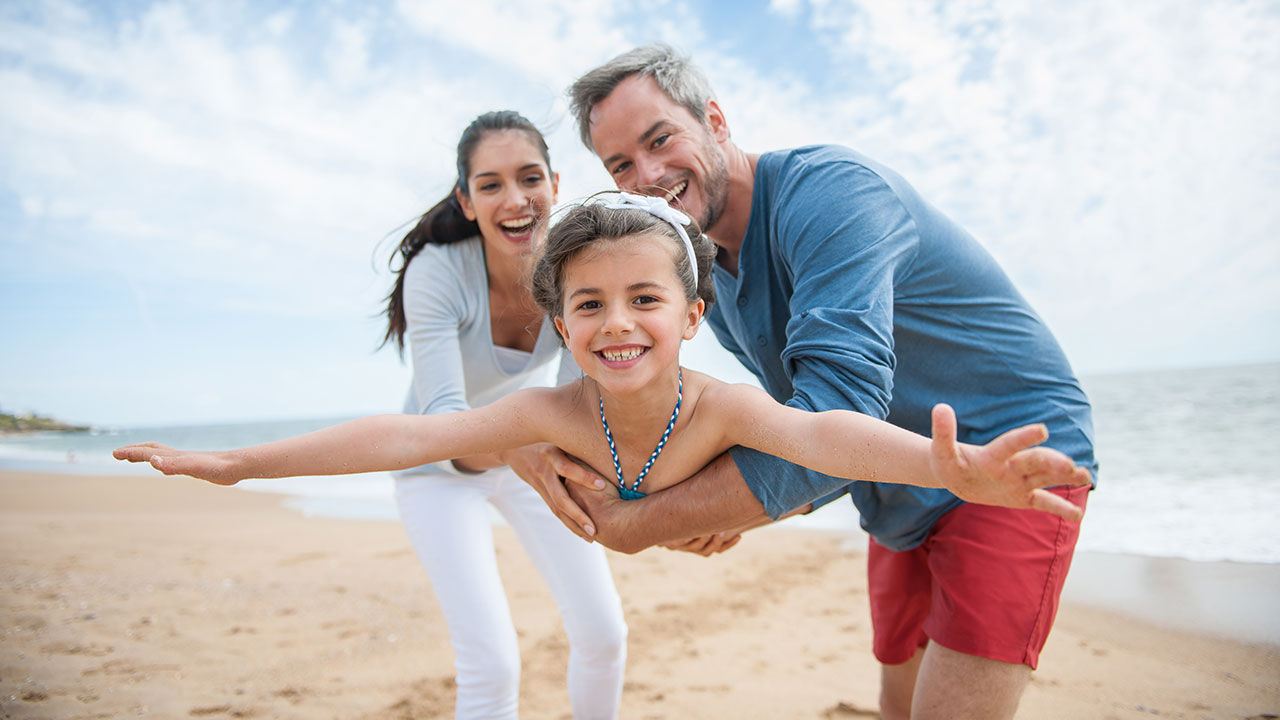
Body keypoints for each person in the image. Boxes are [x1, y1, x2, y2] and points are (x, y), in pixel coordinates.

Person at [556, 45, 1099, 720]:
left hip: (1002, 459)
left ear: (716, 120)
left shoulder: (831, 192)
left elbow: (836, 405)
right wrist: (741, 507)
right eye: (620, 166)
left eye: (660, 139)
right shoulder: (704, 274)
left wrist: (641, 522)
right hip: (894, 480)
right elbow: (801, 422)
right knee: (895, 699)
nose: (649, 174)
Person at [114, 197, 1090, 545]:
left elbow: (821, 433)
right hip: (581, 509)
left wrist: (941, 466)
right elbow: (409, 434)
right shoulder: (548, 411)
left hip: (692, 516)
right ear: (559, 321)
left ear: (692, 315)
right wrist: (238, 465)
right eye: (587, 304)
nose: (616, 323)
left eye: (643, 299)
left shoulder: (724, 407)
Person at [369, 111, 628, 720]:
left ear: (556, 184)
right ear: (466, 200)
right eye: (490, 184)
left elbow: (580, 407)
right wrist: (522, 449)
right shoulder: (438, 272)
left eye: (529, 177)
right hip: (434, 464)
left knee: (605, 634)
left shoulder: (572, 272)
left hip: (525, 455)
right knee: (492, 664)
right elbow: (442, 423)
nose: (515, 200)